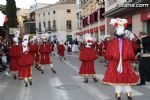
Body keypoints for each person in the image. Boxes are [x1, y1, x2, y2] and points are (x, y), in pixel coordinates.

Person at [102, 18, 139, 100]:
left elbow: (108, 54)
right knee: (127, 80)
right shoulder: (128, 42)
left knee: (117, 81)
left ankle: (118, 96)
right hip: (125, 64)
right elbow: (131, 54)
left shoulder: (112, 42)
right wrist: (129, 60)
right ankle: (129, 96)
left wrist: (110, 59)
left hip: (115, 64)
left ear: (116, 34)